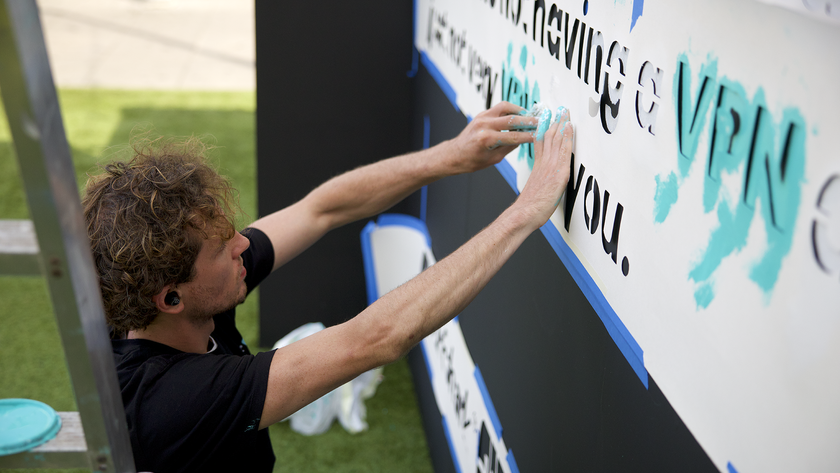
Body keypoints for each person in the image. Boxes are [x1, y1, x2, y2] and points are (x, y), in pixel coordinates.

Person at [82, 101, 573, 472]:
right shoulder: (168, 398)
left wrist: (449, 156)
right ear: (169, 298)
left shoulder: (177, 299)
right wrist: (524, 213)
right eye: (220, 249)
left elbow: (321, 209)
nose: (241, 244)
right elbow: (378, 337)